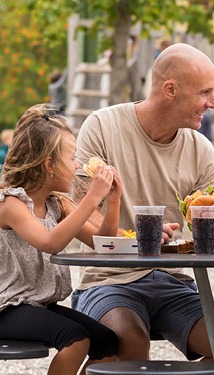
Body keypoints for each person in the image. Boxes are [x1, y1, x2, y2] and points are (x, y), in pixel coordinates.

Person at [71, 43, 214, 375]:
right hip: (108, 279)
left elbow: (204, 234)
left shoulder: (201, 149)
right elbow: (81, 216)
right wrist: (139, 242)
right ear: (171, 90)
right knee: (129, 341)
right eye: (206, 92)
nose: (213, 103)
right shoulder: (102, 127)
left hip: (171, 280)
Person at [0, 104, 121, 375]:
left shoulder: (57, 204)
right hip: (6, 306)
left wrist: (112, 200)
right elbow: (49, 242)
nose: (78, 165)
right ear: (49, 165)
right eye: (73, 158)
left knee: (107, 343)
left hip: (36, 304)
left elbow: (105, 242)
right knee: (75, 338)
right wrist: (91, 197)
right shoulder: (11, 204)